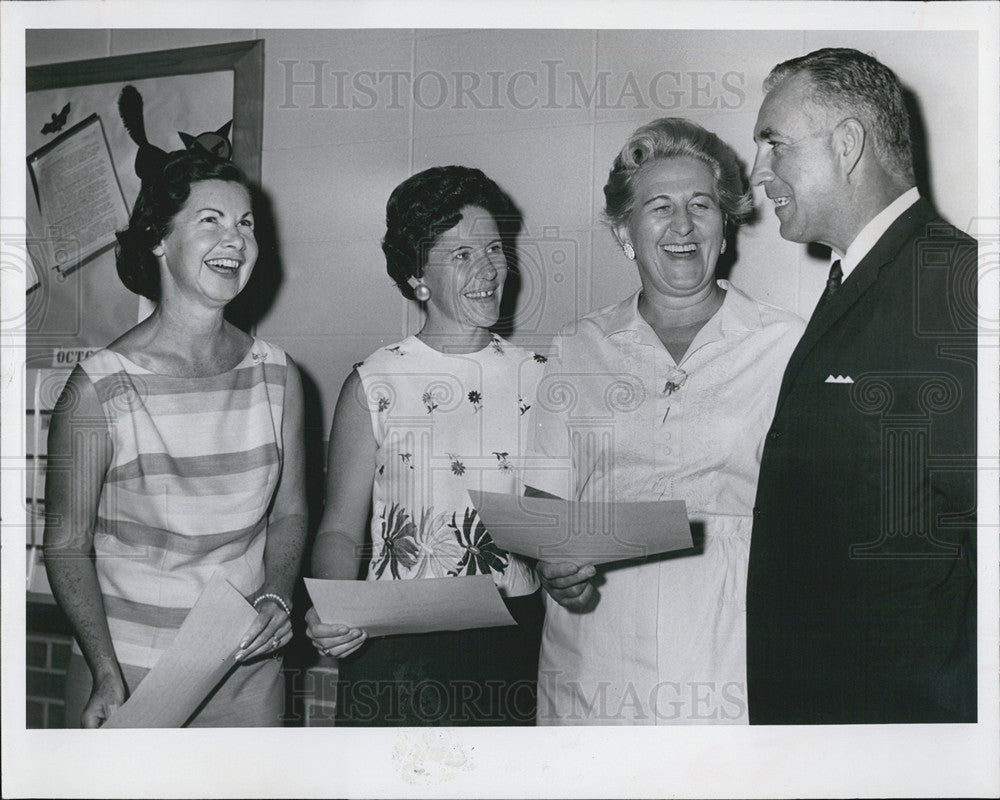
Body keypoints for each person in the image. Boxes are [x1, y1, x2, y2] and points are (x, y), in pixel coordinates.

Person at [521, 118, 805, 725]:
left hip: (731, 635)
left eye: (700, 205)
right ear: (625, 229)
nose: (682, 225)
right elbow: (543, 502)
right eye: (659, 207)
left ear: (725, 224)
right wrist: (554, 562)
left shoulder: (785, 345)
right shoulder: (579, 346)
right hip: (595, 643)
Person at [746, 48, 977, 724]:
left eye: (774, 144)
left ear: (847, 144)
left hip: (899, 732)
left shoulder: (952, 287)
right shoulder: (861, 278)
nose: (759, 173)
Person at [44, 150, 307, 728]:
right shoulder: (98, 388)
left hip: (247, 671)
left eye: (246, 223)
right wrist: (105, 672)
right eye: (210, 219)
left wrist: (277, 596)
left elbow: (289, 516)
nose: (235, 238)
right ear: (159, 241)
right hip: (130, 675)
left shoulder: (279, 374)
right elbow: (65, 545)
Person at [305, 166, 545, 726]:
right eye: (460, 255)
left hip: (511, 643)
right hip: (397, 651)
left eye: (493, 248)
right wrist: (335, 607)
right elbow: (340, 527)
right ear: (418, 277)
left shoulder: (540, 378)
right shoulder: (374, 382)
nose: (487, 269)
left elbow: (550, 525)